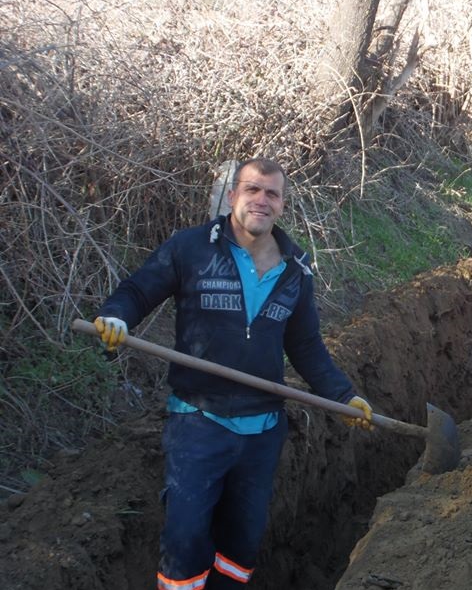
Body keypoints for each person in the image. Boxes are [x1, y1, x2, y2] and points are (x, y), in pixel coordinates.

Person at [94, 157, 373, 590]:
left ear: (282, 205)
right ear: (232, 197)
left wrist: (342, 395)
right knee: (184, 537)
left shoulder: (295, 270)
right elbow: (138, 289)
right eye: (252, 190)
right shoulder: (191, 248)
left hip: (262, 431)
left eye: (272, 194)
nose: (262, 200)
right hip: (197, 421)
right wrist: (116, 317)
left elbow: (306, 347)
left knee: (241, 544)